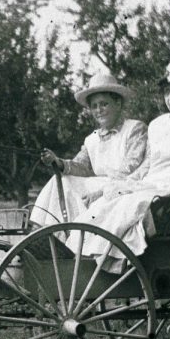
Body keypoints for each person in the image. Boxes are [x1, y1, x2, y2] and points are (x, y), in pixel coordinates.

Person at [34, 60, 170, 258]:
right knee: (108, 202)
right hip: (154, 183)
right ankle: (79, 252)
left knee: (128, 206)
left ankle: (96, 256)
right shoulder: (158, 125)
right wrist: (126, 184)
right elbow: (149, 164)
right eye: (167, 91)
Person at [30, 72, 147, 227]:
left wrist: (103, 192)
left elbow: (131, 168)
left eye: (104, 104)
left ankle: (64, 233)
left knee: (77, 188)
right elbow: (81, 166)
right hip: (98, 186)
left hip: (123, 188)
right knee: (62, 180)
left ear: (118, 103)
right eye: (94, 106)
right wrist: (57, 161)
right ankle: (47, 230)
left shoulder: (134, 129)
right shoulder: (92, 139)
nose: (99, 110)